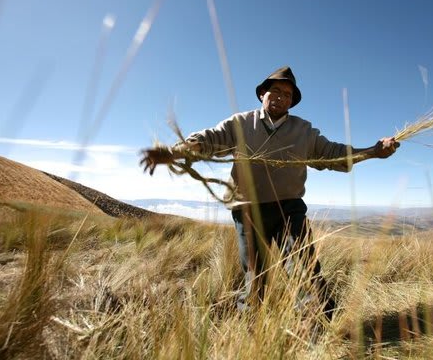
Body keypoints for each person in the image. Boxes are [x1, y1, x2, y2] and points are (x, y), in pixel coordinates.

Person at [140, 66, 399, 318]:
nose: (280, 98)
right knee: (255, 276)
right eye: (275, 91)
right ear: (262, 94)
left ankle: (319, 325)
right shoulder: (241, 123)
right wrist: (175, 152)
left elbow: (332, 154)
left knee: (302, 268)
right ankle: (253, 330)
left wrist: (373, 151)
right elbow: (209, 139)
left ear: (291, 102)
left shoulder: (304, 131)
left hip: (289, 208)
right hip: (248, 209)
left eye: (287, 95)